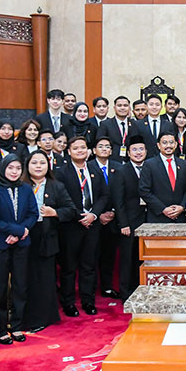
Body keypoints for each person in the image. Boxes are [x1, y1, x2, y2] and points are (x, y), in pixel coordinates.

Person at [21, 150, 77, 333]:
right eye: (34, 163)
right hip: (24, 237)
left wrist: (55, 213)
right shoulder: (20, 185)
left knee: (44, 279)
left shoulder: (56, 186)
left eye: (42, 163)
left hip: (47, 237)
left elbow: (71, 210)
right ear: (27, 165)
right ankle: (22, 317)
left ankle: (43, 317)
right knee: (25, 278)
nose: (38, 166)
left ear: (48, 166)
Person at [0, 154, 38, 344]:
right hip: (0, 244)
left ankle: (16, 326)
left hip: (22, 244)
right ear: (3, 168)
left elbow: (33, 213)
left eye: (17, 168)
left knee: (20, 287)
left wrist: (21, 232)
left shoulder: (26, 188)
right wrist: (18, 231)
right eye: (10, 168)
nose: (14, 172)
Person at [55, 136, 110, 317]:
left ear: (88, 150)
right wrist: (79, 215)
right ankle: (69, 303)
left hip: (92, 225)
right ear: (69, 151)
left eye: (83, 147)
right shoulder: (62, 172)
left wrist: (93, 214)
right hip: (71, 226)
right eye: (76, 148)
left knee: (89, 265)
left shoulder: (95, 169)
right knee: (69, 267)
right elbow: (62, 198)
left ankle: (88, 301)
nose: (80, 151)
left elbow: (104, 195)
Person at [111, 136, 148, 301]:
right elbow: (118, 201)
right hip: (129, 222)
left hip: (147, 219)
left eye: (141, 149)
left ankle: (142, 289)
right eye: (134, 150)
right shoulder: (122, 171)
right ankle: (126, 293)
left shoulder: (150, 168)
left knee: (142, 258)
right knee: (127, 259)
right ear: (128, 152)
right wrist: (123, 224)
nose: (138, 153)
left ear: (146, 151)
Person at [88, 137, 120, 299]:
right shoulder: (87, 167)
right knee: (92, 255)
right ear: (94, 150)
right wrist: (97, 214)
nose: (104, 149)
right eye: (101, 146)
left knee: (109, 254)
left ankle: (107, 287)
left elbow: (121, 193)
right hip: (93, 218)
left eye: (108, 146)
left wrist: (113, 211)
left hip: (113, 217)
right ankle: (91, 289)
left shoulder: (118, 167)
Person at [139, 131, 186, 223]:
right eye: (164, 143)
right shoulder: (149, 164)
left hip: (180, 217)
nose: (168, 146)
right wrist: (162, 209)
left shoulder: (183, 164)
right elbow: (144, 190)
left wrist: (182, 206)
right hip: (157, 217)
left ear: (176, 144)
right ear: (158, 145)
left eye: (171, 142)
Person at [132, 94, 175, 159]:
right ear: (146, 106)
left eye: (157, 105)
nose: (154, 107)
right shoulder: (137, 124)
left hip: (164, 159)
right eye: (151, 104)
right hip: (144, 160)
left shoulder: (169, 125)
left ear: (161, 107)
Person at [96, 95, 134, 164]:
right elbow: (99, 143)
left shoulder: (135, 124)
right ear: (114, 108)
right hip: (112, 161)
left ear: (129, 108)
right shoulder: (105, 124)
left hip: (130, 162)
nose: (122, 108)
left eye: (125, 105)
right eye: (119, 105)